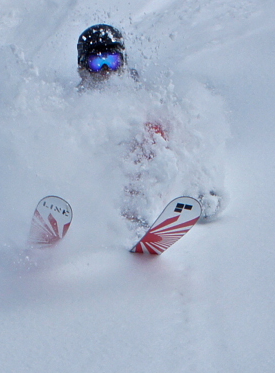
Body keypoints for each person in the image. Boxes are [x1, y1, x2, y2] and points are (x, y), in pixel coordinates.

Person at [75, 23, 224, 225]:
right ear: (82, 68)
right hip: (100, 183)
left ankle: (197, 191)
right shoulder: (75, 105)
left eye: (112, 61)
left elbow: (179, 136)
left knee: (160, 127)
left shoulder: (139, 91)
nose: (105, 70)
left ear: (123, 63)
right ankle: (122, 215)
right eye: (96, 63)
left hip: (141, 175)